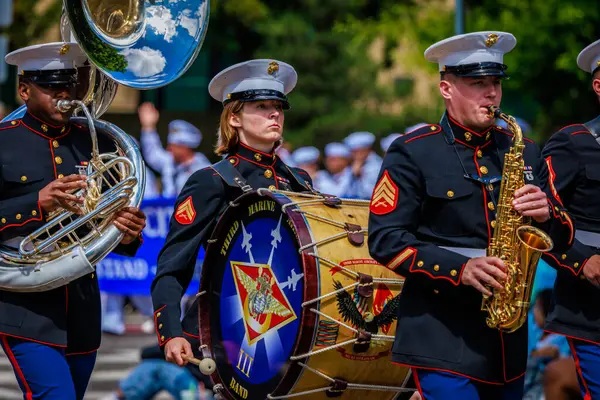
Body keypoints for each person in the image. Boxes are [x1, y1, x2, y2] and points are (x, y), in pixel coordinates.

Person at [367, 31, 574, 400]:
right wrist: (460, 269)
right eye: (477, 83)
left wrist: (546, 215)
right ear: (446, 88)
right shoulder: (413, 152)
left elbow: (561, 236)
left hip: (506, 345)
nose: (491, 93)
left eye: (495, 82)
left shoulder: (523, 149)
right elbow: (386, 240)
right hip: (441, 334)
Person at [0, 42, 146, 399]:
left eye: (68, 84)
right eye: (50, 86)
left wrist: (126, 233)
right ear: (24, 89)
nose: (63, 94)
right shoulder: (4, 142)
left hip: (82, 307)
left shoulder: (93, 141)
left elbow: (110, 222)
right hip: (26, 309)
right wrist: (36, 202)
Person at [151, 59, 314, 367]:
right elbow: (173, 266)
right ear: (235, 118)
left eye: (278, 106)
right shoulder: (211, 181)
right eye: (261, 106)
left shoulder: (300, 181)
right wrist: (171, 332)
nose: (274, 113)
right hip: (232, 333)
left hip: (296, 333)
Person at [541, 37, 600, 400]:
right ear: (598, 85)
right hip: (591, 309)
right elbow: (536, 219)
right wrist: (582, 262)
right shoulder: (572, 143)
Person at [138, 102, 211, 198]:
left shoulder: (203, 169)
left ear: (185, 147)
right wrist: (148, 127)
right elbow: (152, 153)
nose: (169, 149)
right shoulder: (170, 162)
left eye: (173, 146)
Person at [523, 289, 574, 400]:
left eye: (537, 308)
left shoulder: (563, 337)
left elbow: (566, 362)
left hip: (544, 385)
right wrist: (535, 354)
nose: (533, 312)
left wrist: (556, 355)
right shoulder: (530, 327)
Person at [343, 131, 382, 199]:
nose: (352, 155)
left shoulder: (376, 165)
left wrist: (358, 176)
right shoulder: (359, 164)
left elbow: (370, 193)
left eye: (354, 151)